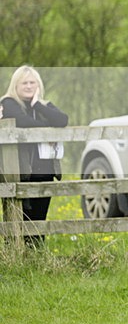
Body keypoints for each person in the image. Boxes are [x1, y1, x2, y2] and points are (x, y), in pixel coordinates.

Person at [1, 66, 68, 240]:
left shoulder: (44, 106)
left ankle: (36, 258)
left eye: (32, 82)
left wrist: (38, 105)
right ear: (15, 85)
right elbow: (23, 122)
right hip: (20, 172)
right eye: (24, 83)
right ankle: (16, 258)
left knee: (39, 223)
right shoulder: (8, 103)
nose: (29, 86)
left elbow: (62, 120)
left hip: (44, 172)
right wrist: (48, 132)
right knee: (18, 221)